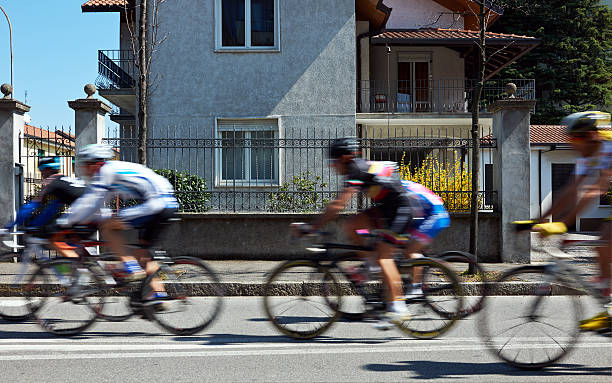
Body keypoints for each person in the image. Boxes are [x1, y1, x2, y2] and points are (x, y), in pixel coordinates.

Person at [295, 137, 450, 329]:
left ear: (345, 157)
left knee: (385, 257)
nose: (331, 166)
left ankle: (398, 308)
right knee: (352, 225)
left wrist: (312, 227)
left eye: (332, 161)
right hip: (386, 207)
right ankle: (372, 266)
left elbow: (339, 204)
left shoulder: (357, 169)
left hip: (401, 209)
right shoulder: (358, 168)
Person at [56, 144, 179, 303]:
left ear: (95, 164)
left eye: (84, 165)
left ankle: (130, 266)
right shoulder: (114, 171)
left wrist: (66, 220)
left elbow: (90, 201)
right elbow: (99, 204)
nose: (83, 169)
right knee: (144, 255)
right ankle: (156, 296)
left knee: (107, 226)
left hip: (155, 204)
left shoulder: (105, 171)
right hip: (167, 204)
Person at [537, 111, 612, 331]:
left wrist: (563, 223)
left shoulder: (607, 148)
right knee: (602, 247)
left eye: (576, 139)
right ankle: (607, 310)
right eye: (570, 139)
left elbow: (594, 190)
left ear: (591, 135)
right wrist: (541, 218)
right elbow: (571, 190)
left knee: (607, 238)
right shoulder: (587, 156)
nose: (573, 144)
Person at [1, 156, 87, 258]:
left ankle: (78, 270)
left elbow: (32, 205)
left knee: (52, 238)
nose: (41, 174)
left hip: (85, 213)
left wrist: (9, 226)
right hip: (90, 212)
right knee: (70, 240)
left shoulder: (51, 182)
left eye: (41, 170)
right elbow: (52, 208)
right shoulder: (65, 181)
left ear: (47, 169)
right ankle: (82, 265)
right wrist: (36, 224)